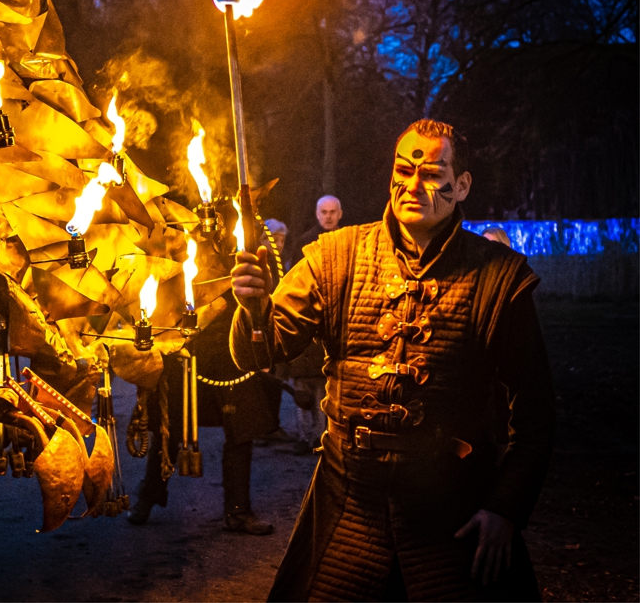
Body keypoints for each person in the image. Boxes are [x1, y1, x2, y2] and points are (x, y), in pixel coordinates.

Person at [230, 119, 555, 601]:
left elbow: (536, 411)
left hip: (454, 517)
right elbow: (264, 351)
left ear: (461, 185)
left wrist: (506, 507)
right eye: (403, 170)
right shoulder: (333, 257)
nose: (412, 185)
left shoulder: (498, 279)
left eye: (431, 173)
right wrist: (253, 310)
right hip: (349, 512)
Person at [128, 200, 276, 535]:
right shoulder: (181, 248)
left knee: (241, 431)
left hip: (232, 354)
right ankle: (149, 495)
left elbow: (263, 293)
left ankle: (238, 510)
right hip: (187, 352)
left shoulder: (242, 249)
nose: (215, 228)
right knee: (170, 429)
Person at [291, 195, 343, 266]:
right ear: (317, 214)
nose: (328, 216)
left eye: (332, 212)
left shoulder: (346, 240)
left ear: (340, 214)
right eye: (324, 212)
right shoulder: (305, 242)